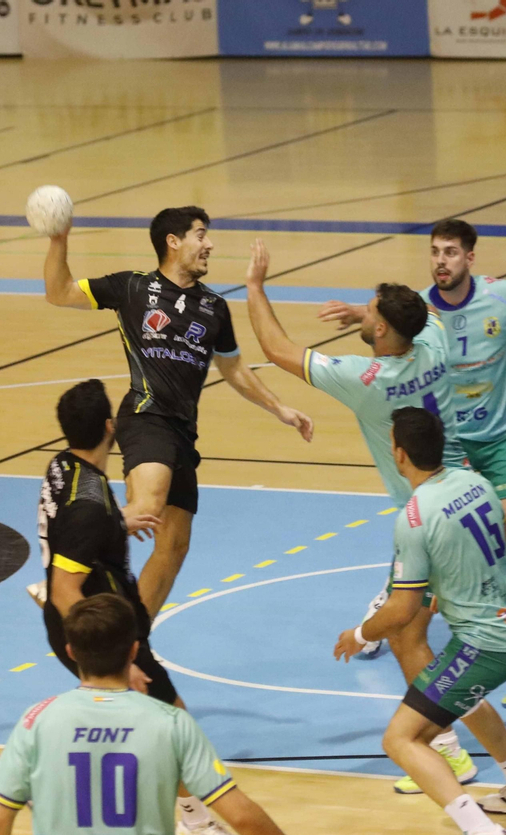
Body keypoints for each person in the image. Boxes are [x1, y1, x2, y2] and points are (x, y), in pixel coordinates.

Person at [239, 239, 506, 794]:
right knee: (432, 630)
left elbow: (276, 348)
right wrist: (371, 315)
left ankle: (446, 747)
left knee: (406, 631)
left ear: (380, 330)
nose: (364, 313)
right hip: (467, 490)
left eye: (370, 311)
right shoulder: (435, 343)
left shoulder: (365, 380)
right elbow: (421, 319)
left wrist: (254, 286)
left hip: (430, 514)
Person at [318, 220, 506, 674]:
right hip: (447, 441)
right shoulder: (418, 310)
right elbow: (385, 334)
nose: (441, 261)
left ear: (470, 257)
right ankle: (389, 599)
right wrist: (363, 316)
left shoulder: (505, 297)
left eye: (450, 252)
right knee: (430, 530)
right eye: (435, 252)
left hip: (501, 435)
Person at [42, 206, 313, 619]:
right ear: (173, 242)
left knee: (173, 546)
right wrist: (58, 239)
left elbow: (233, 368)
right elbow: (58, 291)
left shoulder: (214, 307)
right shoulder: (132, 287)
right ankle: (64, 573)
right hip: (146, 416)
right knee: (147, 507)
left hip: (183, 431)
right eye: (200, 235)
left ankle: (133, 636)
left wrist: (279, 408)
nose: (209, 244)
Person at [36, 379, 259, 835]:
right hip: (102, 636)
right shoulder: (89, 506)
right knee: (174, 724)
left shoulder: (62, 468)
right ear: (111, 428)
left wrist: (118, 523)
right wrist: (122, 661)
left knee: (118, 722)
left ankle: (53, 790)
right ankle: (196, 825)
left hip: (92, 626)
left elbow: (72, 537)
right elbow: (65, 589)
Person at [333, 408, 506, 835]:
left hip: (486, 643)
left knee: (400, 739)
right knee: (462, 698)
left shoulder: (415, 518)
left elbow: (401, 609)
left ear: (398, 454)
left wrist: (360, 635)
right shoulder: (475, 482)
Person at [0, 594, 321, 835]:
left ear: (70, 652)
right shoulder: (171, 722)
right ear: (133, 651)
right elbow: (241, 815)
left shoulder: (36, 720)